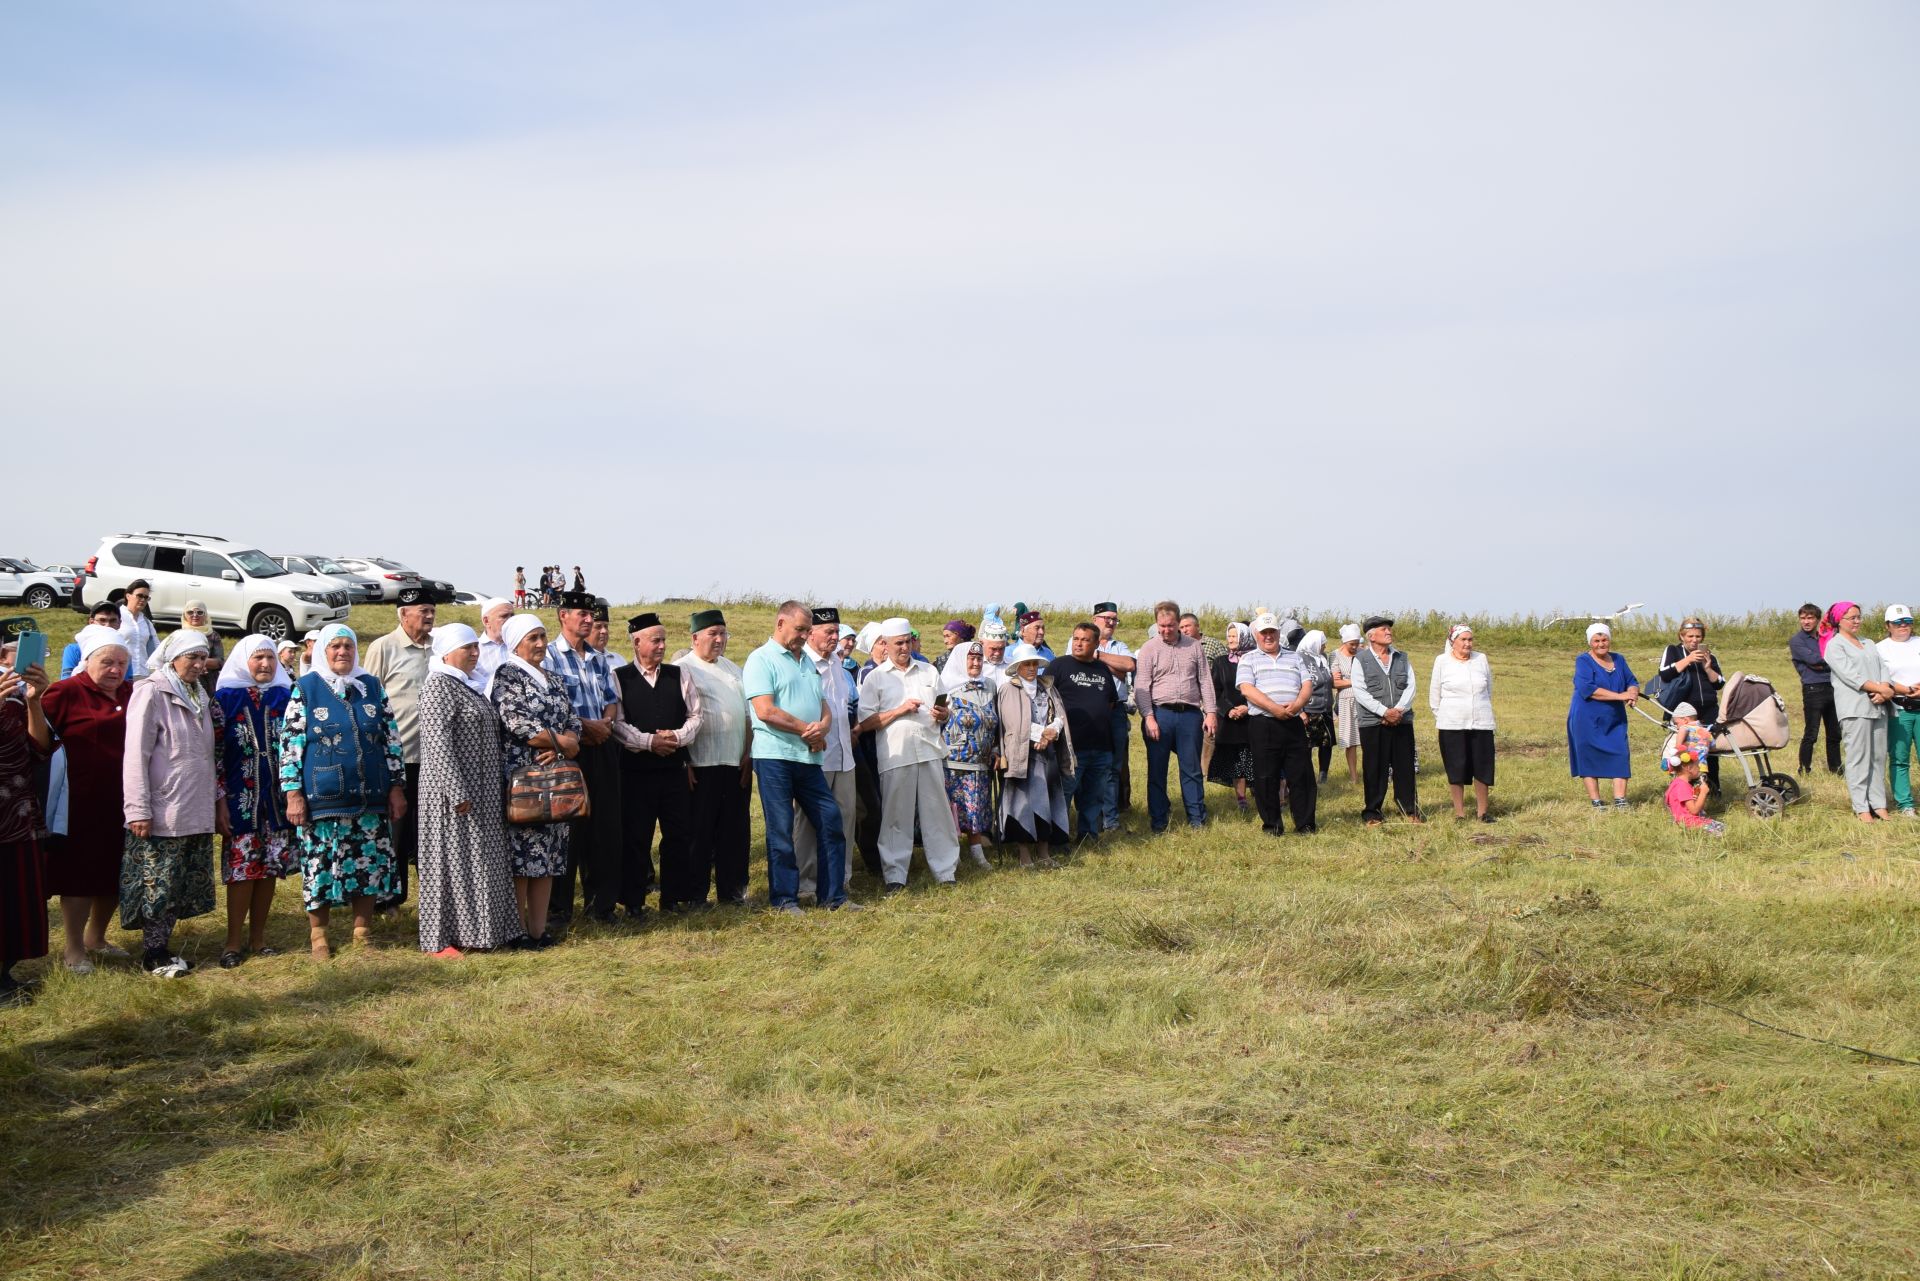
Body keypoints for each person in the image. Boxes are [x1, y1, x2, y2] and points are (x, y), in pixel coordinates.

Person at [281, 624, 405, 959]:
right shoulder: (306, 688)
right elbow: (290, 745)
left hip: (371, 794)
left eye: (348, 646)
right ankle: (318, 936)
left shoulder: (371, 687)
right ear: (323, 650)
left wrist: (396, 787)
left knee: (367, 862)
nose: (342, 652)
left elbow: (390, 740)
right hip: (323, 796)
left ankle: (362, 932)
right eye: (335, 646)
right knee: (320, 864)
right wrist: (293, 793)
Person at [122, 629, 225, 978]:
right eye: (191, 658)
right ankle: (153, 954)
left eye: (201, 657)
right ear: (172, 658)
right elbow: (136, 753)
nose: (198, 664)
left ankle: (163, 947)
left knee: (177, 882)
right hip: (164, 805)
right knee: (157, 883)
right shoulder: (151, 691)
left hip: (192, 803)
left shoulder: (198, 692)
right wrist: (137, 808)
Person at [415, 623, 520, 956]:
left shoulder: (469, 685)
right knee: (451, 864)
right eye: (467, 648)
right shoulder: (438, 686)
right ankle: (441, 940)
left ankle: (481, 933)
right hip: (452, 795)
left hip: (484, 791)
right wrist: (457, 792)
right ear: (447, 652)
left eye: (476, 647)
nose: (475, 653)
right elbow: (437, 743)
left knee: (479, 864)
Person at [744, 602, 852, 913]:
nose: (804, 636)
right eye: (800, 629)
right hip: (775, 756)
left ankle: (833, 896)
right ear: (780, 623)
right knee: (780, 828)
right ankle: (784, 898)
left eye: (807, 630)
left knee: (830, 819)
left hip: (808, 757)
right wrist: (808, 729)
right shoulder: (760, 659)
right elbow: (765, 710)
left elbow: (823, 704)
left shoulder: (805, 660)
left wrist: (824, 726)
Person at [41, 625, 134, 971]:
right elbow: (37, 740)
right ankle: (73, 948)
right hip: (78, 800)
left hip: (122, 799)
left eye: (122, 663)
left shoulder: (131, 692)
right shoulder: (64, 692)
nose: (115, 670)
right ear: (87, 661)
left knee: (114, 869)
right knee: (79, 874)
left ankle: (98, 936)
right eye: (107, 662)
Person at [489, 614, 579, 942]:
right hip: (523, 779)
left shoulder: (552, 678)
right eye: (533, 638)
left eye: (543, 636)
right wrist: (562, 742)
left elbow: (572, 718)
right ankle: (516, 931)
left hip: (555, 776)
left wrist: (565, 744)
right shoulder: (507, 675)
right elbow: (516, 721)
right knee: (522, 857)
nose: (541, 644)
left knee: (550, 855)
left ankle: (538, 931)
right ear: (515, 643)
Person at [211, 635, 296, 967]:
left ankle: (258, 938)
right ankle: (233, 942)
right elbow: (214, 756)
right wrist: (219, 802)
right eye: (258, 658)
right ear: (243, 660)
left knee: (269, 869)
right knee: (242, 872)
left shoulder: (285, 697)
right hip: (240, 800)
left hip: (276, 802)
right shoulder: (224, 699)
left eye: (270, 658)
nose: (265, 664)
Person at [857, 617, 959, 891]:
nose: (904, 648)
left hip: (929, 750)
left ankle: (945, 871)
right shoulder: (876, 678)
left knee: (937, 813)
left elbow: (946, 709)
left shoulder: (928, 671)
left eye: (908, 642)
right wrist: (899, 710)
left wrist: (943, 713)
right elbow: (865, 723)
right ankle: (895, 876)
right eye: (898, 643)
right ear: (885, 645)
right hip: (895, 755)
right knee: (895, 816)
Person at [542, 591, 623, 926]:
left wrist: (604, 724)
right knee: (567, 827)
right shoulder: (548, 657)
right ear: (563, 616)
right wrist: (585, 727)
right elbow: (551, 706)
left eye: (592, 615)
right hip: (569, 749)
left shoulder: (598, 658)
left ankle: (601, 905)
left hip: (602, 747)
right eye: (582, 614)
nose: (589, 620)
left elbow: (610, 698)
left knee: (604, 827)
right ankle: (559, 908)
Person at [613, 613, 701, 912]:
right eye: (656, 640)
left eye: (664, 639)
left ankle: (673, 897)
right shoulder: (619, 677)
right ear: (637, 642)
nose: (662, 645)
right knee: (637, 836)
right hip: (636, 773)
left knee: (678, 834)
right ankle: (634, 902)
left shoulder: (679, 675)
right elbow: (618, 724)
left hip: (673, 772)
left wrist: (675, 738)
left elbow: (695, 716)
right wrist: (650, 742)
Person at [362, 600, 435, 910]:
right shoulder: (383, 647)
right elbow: (367, 697)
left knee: (429, 831)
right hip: (397, 756)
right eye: (423, 611)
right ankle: (390, 898)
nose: (430, 616)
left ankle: (433, 898)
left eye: (432, 611)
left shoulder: (439, 645)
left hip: (434, 757)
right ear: (404, 614)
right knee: (395, 828)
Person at [679, 609, 755, 906]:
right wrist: (684, 760)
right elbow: (678, 718)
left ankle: (732, 891)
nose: (719, 639)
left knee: (734, 831)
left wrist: (748, 754)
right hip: (701, 763)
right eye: (713, 633)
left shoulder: (734, 669)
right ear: (695, 637)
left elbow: (748, 716)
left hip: (735, 763)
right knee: (699, 831)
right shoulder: (682, 668)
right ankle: (695, 894)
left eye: (723, 633)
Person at [1134, 601, 1218, 832]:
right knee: (1157, 770)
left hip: (1190, 715)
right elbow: (1142, 685)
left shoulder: (1194, 647)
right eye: (1161, 626)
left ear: (1178, 623)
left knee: (1191, 769)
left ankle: (1197, 819)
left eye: (1170, 625)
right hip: (1161, 714)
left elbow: (1205, 681)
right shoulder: (1149, 649)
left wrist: (1210, 713)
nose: (1166, 630)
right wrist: (1148, 717)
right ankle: (1159, 821)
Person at [795, 608, 862, 896]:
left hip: (845, 757)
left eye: (837, 631)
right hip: (816, 757)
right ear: (810, 633)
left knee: (845, 819)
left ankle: (840, 879)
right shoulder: (801, 665)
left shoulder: (838, 663)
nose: (835, 637)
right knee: (809, 823)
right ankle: (806, 884)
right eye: (829, 632)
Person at [0, 650, 52, 1003]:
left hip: (18, 815)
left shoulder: (14, 702)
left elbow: (39, 748)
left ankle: (5, 974)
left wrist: (34, 702)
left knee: (14, 899)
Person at [995, 643, 1074, 868]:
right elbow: (1012, 724)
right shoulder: (1008, 690)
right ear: (1017, 667)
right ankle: (1024, 856)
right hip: (1021, 756)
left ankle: (1044, 853)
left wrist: (1052, 731)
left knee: (1047, 801)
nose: (1031, 668)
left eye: (1034, 664)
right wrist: (1041, 734)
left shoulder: (1047, 687)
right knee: (1022, 803)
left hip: (1047, 756)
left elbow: (1059, 715)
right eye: (1026, 664)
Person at [1236, 613, 1316, 836]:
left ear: (1279, 633)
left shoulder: (1295, 657)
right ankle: (1272, 825)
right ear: (1256, 635)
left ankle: (1305, 824)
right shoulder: (1249, 658)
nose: (1268, 636)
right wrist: (1274, 708)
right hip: (1263, 724)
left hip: (1293, 722)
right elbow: (1246, 689)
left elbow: (1307, 684)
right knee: (1265, 777)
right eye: (1264, 633)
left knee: (1301, 775)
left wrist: (1297, 704)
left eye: (1272, 632)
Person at [1048, 622, 1119, 840]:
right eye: (1076, 638)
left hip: (1100, 745)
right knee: (1064, 793)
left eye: (1085, 640)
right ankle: (1057, 837)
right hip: (1071, 747)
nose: (1078, 644)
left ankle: (1088, 835)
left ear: (1096, 643)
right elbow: (1045, 701)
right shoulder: (1058, 666)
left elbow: (1110, 702)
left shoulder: (1102, 668)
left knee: (1094, 795)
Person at [1823, 601, 1893, 822]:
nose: (1856, 621)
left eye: (1858, 617)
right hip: (1855, 709)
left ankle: (1879, 804)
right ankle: (1862, 807)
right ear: (1839, 621)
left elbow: (1884, 669)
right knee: (1858, 758)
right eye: (1851, 618)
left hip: (1878, 706)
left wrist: (1886, 690)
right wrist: (1879, 688)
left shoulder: (1869, 643)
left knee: (1878, 757)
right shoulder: (1835, 646)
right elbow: (1851, 676)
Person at [1350, 616, 1423, 826]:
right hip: (1373, 723)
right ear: (1371, 636)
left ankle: (1409, 810)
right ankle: (1372, 813)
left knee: (1405, 766)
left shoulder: (1402, 657)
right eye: (1384, 629)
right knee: (1374, 768)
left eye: (1389, 629)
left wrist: (1398, 711)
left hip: (1402, 720)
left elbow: (1411, 686)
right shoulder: (1360, 660)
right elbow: (1360, 691)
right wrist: (1384, 712)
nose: (1389, 632)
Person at [1567, 622, 1640, 810]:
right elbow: (1587, 689)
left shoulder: (1619, 659)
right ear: (1590, 643)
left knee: (1620, 753)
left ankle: (1620, 800)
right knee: (1589, 756)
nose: (1601, 644)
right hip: (1587, 718)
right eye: (1596, 640)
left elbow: (1632, 681)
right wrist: (1620, 696)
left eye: (1604, 639)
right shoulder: (1583, 660)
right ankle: (1596, 801)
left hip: (1614, 718)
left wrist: (1632, 692)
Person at [1430, 624, 1497, 822]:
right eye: (1463, 640)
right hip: (1452, 723)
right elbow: (1435, 696)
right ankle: (1459, 813)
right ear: (1453, 641)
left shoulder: (1481, 659)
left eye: (1470, 639)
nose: (1467, 643)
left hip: (1481, 723)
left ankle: (1482, 812)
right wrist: (1444, 717)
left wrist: (1480, 710)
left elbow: (1488, 690)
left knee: (1483, 766)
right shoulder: (1441, 661)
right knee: (1456, 767)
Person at [940, 641, 998, 866]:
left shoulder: (990, 686)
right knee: (953, 810)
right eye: (971, 658)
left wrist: (995, 748)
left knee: (977, 809)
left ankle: (976, 853)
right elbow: (938, 720)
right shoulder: (947, 687)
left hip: (981, 762)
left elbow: (996, 721)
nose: (976, 663)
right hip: (953, 762)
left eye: (979, 658)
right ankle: (951, 856)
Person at [1656, 619, 1725, 796]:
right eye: (1690, 636)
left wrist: (1708, 667)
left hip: (1709, 709)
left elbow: (1719, 683)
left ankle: (1712, 788)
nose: (1694, 640)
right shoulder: (1673, 651)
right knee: (1686, 751)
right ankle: (1685, 790)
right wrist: (1688, 659)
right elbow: (1664, 673)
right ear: (1682, 636)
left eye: (1698, 636)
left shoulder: (1709, 656)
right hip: (1685, 711)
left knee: (1708, 750)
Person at [1091, 603, 1136, 828]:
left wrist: (1098, 655)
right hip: (1091, 713)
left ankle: (1111, 819)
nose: (1110, 622)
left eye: (1114, 619)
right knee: (1090, 764)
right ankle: (1092, 816)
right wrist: (1113, 666)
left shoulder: (1121, 646)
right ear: (1094, 619)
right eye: (1106, 618)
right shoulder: (1077, 640)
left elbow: (1129, 665)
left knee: (1114, 765)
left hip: (1116, 710)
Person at [1875, 604, 1920, 817]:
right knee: (1900, 757)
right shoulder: (1881, 648)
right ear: (1888, 625)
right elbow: (1881, 678)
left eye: (1908, 622)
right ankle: (1905, 803)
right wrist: (1905, 689)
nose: (1904, 626)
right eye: (1898, 623)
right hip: (1899, 708)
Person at [1206, 623, 1256, 812]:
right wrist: (1228, 710)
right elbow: (1214, 690)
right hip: (1230, 720)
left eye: (1235, 636)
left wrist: (1247, 707)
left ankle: (1262, 794)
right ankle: (1241, 799)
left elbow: (1260, 688)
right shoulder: (1220, 662)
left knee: (1254, 758)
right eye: (1229, 636)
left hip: (1252, 716)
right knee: (1236, 762)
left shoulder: (1254, 660)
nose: (1231, 640)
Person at [1789, 603, 1842, 777]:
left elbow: (1831, 659)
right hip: (1813, 690)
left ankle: (1836, 768)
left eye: (1810, 618)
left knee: (1834, 733)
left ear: (1817, 619)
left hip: (1832, 687)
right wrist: (1831, 663)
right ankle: (1804, 769)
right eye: (1803, 618)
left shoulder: (1826, 637)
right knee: (1811, 733)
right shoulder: (1797, 641)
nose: (1806, 621)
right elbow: (1815, 660)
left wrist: (1827, 663)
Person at [1295, 630, 1335, 784]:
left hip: (1325, 709)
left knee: (1326, 743)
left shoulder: (1322, 659)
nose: (1324, 647)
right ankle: (1307, 775)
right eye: (1322, 644)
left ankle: (1323, 775)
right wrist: (1301, 711)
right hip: (1309, 709)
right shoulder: (1300, 658)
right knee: (1307, 745)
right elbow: (1297, 685)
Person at [1662, 749, 1726, 836]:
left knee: (1720, 826)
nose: (1699, 768)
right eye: (1697, 765)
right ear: (1689, 768)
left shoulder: (1676, 783)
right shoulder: (1682, 786)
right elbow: (1694, 810)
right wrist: (1703, 793)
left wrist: (1697, 794)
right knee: (1723, 829)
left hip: (1683, 823)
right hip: (1691, 824)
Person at [1329, 624, 1363, 785]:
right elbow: (1335, 683)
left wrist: (1347, 681)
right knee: (1351, 741)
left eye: (1357, 643)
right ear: (1345, 642)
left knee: (1367, 738)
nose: (1355, 646)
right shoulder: (1335, 656)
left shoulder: (1363, 654)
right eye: (1352, 644)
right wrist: (1356, 681)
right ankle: (1354, 776)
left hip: (1363, 700)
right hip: (1346, 701)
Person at [60, 600, 123, 679]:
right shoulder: (75, 650)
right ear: (91, 622)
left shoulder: (123, 652)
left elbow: (128, 684)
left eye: (113, 621)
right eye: (102, 620)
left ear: (120, 623)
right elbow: (66, 681)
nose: (107, 625)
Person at [179, 602, 225, 697]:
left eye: (200, 612)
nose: (195, 615)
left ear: (205, 615)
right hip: (184, 683)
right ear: (184, 615)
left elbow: (220, 662)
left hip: (209, 683)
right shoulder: (179, 636)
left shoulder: (213, 635)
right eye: (190, 612)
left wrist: (201, 662)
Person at [118, 579, 158, 678]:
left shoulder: (147, 622)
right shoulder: (117, 617)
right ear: (128, 596)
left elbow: (157, 649)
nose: (143, 600)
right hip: (121, 674)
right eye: (140, 596)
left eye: (146, 597)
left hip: (143, 674)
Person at [476, 597, 515, 689]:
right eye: (504, 616)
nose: (510, 620)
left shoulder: (520, 646)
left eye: (512, 616)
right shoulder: (474, 650)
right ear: (486, 621)